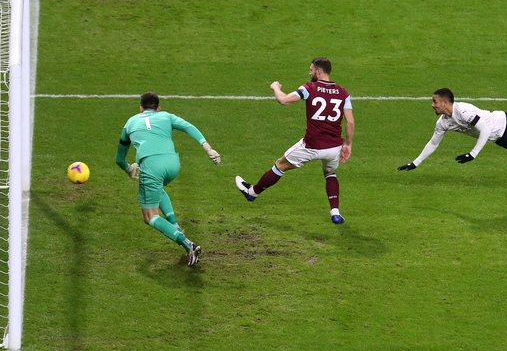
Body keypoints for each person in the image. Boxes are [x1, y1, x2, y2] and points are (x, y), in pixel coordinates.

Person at [235, 57, 355, 224]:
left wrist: (276, 88)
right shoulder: (343, 93)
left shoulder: (309, 88)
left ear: (318, 71)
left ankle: (252, 192)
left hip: (311, 146)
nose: (309, 72)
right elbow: (349, 121)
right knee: (330, 173)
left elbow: (283, 100)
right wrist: (348, 145)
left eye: (311, 69)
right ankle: (335, 212)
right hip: (334, 147)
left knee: (280, 165)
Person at [116, 92, 221, 267]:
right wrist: (208, 148)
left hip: (151, 166)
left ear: (140, 108)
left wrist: (128, 169)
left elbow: (119, 159)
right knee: (157, 189)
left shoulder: (130, 123)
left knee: (150, 216)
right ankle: (175, 226)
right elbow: (188, 127)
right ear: (158, 108)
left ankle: (188, 245)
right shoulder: (166, 116)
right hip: (173, 164)